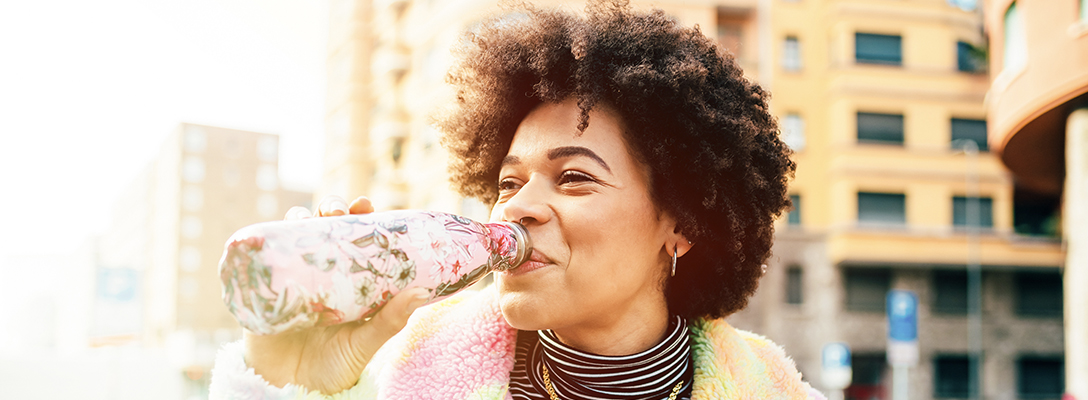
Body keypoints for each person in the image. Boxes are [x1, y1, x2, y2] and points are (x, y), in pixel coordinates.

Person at [210, 1, 823, 399]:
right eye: (508, 182)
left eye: (575, 178)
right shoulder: (396, 379)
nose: (516, 208)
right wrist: (280, 378)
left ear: (682, 225)